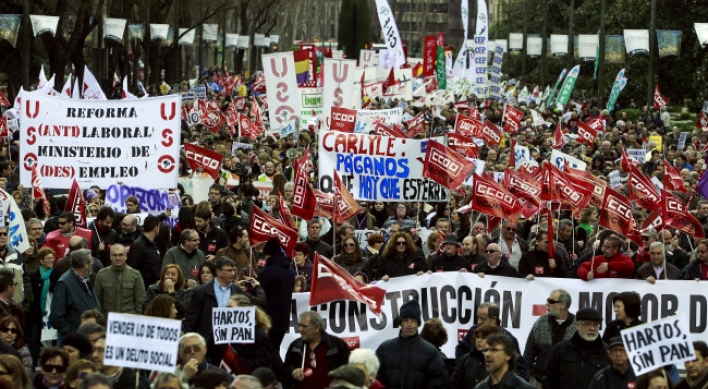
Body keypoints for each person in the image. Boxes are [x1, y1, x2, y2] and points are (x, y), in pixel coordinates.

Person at [183, 256, 266, 364]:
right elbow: (192, 319)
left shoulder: (237, 290)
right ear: (218, 272)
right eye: (229, 270)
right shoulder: (202, 292)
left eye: (233, 270)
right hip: (209, 344)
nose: (232, 273)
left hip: (231, 344)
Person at [375, 299, 447, 389]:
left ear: (418, 323)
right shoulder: (384, 349)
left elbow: (438, 382)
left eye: (413, 320)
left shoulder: (431, 352)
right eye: (405, 320)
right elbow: (374, 378)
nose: (409, 324)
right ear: (400, 322)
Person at [543, 307, 610, 389]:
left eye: (595, 325)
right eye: (587, 324)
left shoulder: (607, 351)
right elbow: (549, 380)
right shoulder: (561, 349)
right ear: (578, 326)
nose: (592, 328)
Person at [455, 302, 527, 378]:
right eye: (478, 317)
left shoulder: (508, 339)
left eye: (482, 318)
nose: (478, 321)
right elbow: (460, 348)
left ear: (494, 319)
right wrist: (463, 368)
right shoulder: (474, 330)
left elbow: (520, 371)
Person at [282, 311, 351, 389]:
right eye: (299, 325)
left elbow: (349, 371)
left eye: (304, 326)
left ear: (317, 328)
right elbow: (285, 369)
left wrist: (338, 380)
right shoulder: (295, 346)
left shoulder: (337, 346)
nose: (300, 329)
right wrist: (293, 371)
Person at [523, 289, 576, 386]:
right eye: (547, 300)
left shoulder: (577, 326)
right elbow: (528, 354)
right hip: (540, 383)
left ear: (563, 305)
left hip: (567, 384)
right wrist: (525, 379)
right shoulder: (541, 322)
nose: (547, 304)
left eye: (551, 301)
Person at [49, 250, 100, 343]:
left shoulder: (85, 277)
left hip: (87, 335)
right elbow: (56, 316)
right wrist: (71, 333)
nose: (93, 263)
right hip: (73, 339)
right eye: (91, 261)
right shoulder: (64, 283)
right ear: (86, 265)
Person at [257, 238, 295, 349]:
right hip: (284, 320)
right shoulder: (290, 270)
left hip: (269, 320)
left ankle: (279, 367)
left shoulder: (269, 272)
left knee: (269, 352)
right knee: (275, 349)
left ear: (268, 255)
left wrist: (254, 285)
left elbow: (260, 293)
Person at [94, 244, 145, 315]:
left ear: (126, 256)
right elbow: (97, 300)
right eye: (115, 255)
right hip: (108, 319)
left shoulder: (135, 275)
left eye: (121, 255)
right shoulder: (101, 274)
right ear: (110, 257)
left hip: (128, 320)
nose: (118, 258)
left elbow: (140, 300)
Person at [225, 294, 272, 372]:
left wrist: (235, 362)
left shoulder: (260, 336)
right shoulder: (224, 332)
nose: (226, 311)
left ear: (243, 311)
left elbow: (261, 365)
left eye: (230, 308)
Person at [450, 324, 496, 389]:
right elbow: (454, 383)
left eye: (483, 337)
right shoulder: (466, 359)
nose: (479, 340)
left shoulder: (497, 361)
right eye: (477, 337)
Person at [126, 215, 162, 289]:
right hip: (143, 288)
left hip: (154, 286)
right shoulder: (138, 245)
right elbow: (132, 268)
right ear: (156, 228)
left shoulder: (153, 244)